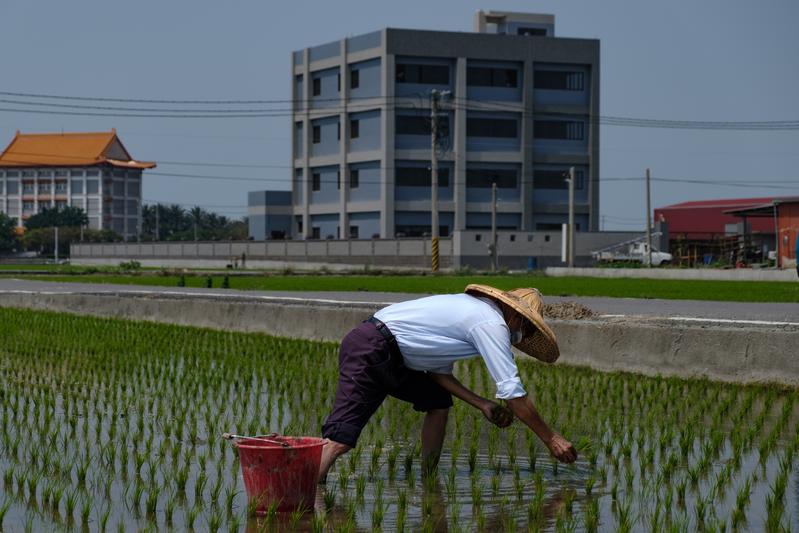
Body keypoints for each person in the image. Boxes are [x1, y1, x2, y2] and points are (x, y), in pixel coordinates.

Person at [318, 284, 577, 482]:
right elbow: (513, 393)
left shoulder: (472, 312)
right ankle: (304, 493)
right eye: (527, 328)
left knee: (437, 401)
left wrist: (482, 404)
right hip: (372, 348)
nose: (522, 335)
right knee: (341, 439)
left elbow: (439, 375)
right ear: (516, 316)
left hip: (392, 355)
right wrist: (551, 438)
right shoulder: (490, 322)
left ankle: (427, 477)